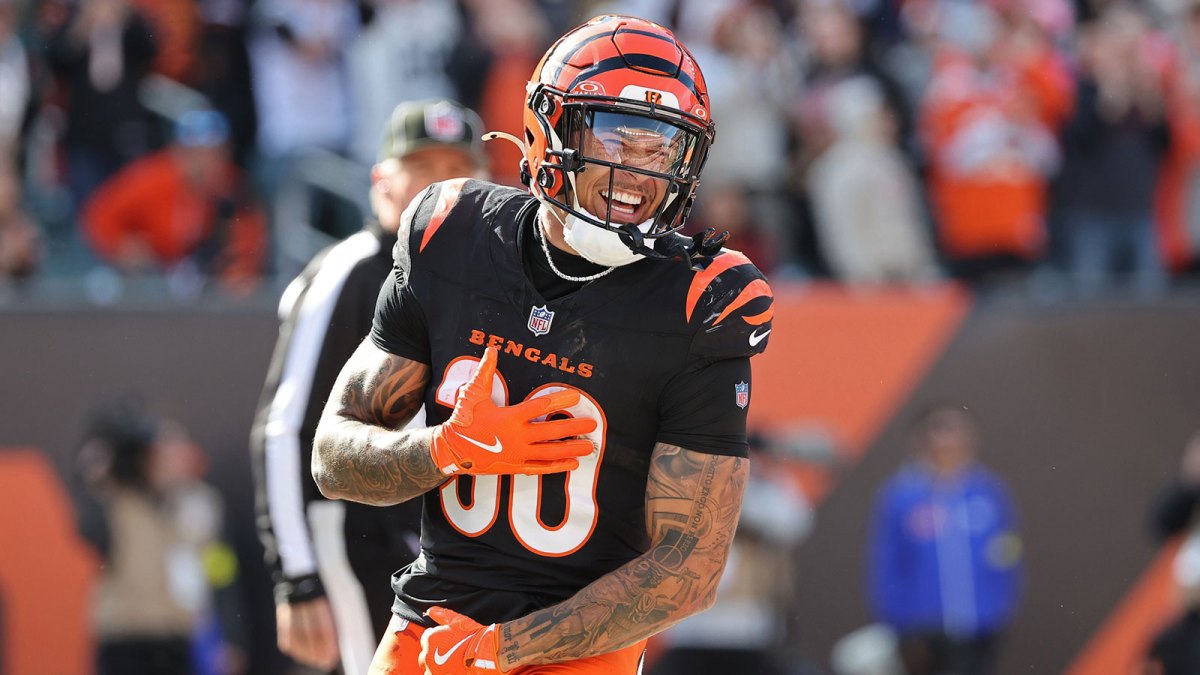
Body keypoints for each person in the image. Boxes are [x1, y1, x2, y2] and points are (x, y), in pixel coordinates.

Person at [309, 14, 774, 674]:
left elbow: (689, 568)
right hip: (435, 619)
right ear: (546, 131)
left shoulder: (702, 301)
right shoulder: (453, 231)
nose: (638, 174)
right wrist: (445, 448)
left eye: (661, 148)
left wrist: (509, 646)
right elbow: (333, 455)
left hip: (579, 647)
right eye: (617, 137)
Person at [250, 98, 489, 674]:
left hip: (440, 533)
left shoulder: (484, 278)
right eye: (423, 169)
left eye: (457, 169)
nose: (442, 185)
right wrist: (297, 577)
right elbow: (283, 428)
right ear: (382, 181)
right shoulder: (352, 269)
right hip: (358, 527)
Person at [868, 404, 1022, 675]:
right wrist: (899, 624)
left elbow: (1007, 553)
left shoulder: (987, 492)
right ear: (922, 442)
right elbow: (888, 564)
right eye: (940, 434)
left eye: (957, 435)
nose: (949, 443)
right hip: (923, 630)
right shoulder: (902, 496)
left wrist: (999, 608)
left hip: (980, 626)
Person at [81, 108, 266, 291]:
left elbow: (247, 241)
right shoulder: (154, 177)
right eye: (197, 152)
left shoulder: (231, 186)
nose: (207, 161)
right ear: (179, 151)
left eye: (215, 153)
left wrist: (238, 273)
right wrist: (121, 244)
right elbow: (98, 215)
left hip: (194, 280)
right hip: (146, 276)